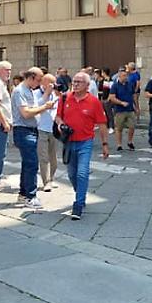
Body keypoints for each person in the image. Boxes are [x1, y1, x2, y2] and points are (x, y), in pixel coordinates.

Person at [56, 71, 109, 220]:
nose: (75, 84)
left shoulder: (94, 102)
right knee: (72, 175)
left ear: (87, 85)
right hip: (68, 142)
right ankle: (81, 193)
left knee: (82, 173)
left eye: (79, 82)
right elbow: (58, 117)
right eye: (74, 81)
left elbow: (102, 124)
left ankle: (78, 205)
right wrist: (60, 124)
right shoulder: (65, 98)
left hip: (85, 142)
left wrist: (105, 144)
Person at [11, 67, 52, 209]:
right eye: (39, 80)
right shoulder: (19, 91)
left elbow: (36, 105)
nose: (40, 83)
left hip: (30, 130)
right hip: (23, 130)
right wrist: (44, 108)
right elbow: (26, 113)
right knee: (32, 163)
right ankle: (30, 196)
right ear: (32, 77)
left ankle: (23, 194)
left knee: (27, 163)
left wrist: (46, 97)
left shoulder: (28, 90)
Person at [36, 73, 60, 192]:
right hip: (41, 128)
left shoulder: (54, 95)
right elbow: (37, 105)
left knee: (53, 157)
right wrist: (46, 94)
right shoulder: (36, 93)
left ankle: (51, 178)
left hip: (52, 129)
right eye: (51, 83)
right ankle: (46, 181)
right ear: (43, 83)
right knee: (43, 156)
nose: (53, 86)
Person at [110, 67, 137, 150]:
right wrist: (121, 103)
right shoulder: (115, 86)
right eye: (124, 76)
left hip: (130, 109)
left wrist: (136, 106)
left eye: (126, 75)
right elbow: (112, 98)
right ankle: (119, 144)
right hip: (119, 110)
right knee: (119, 128)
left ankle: (130, 142)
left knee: (132, 126)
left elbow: (133, 95)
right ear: (119, 76)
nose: (126, 77)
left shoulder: (130, 84)